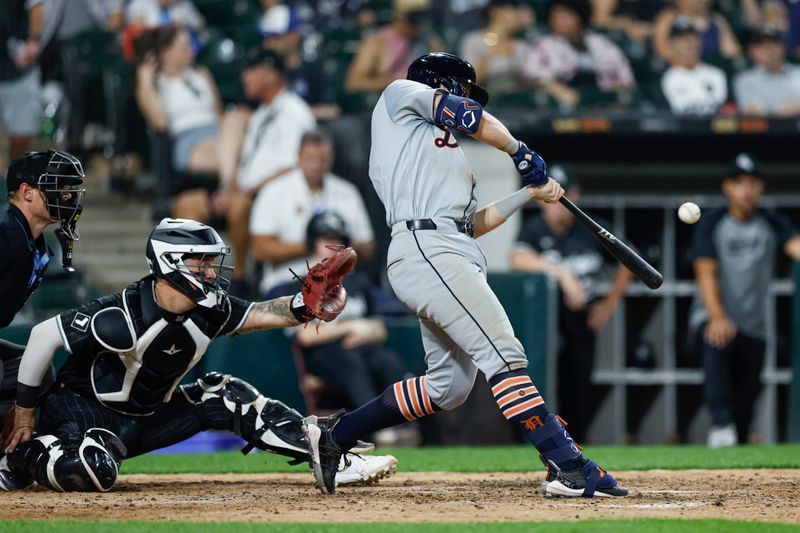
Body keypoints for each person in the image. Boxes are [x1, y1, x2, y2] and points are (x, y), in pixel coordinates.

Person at [302, 52, 628, 498]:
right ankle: (567, 465)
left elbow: (472, 223)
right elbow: (469, 115)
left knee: (448, 387)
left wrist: (527, 194)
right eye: (462, 88)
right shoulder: (400, 96)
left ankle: (334, 436)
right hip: (426, 248)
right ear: (440, 82)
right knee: (504, 353)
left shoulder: (439, 154)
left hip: (445, 248)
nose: (467, 98)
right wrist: (518, 149)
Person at [0, 218, 397, 492]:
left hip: (146, 419)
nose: (211, 270)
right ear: (171, 263)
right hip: (84, 414)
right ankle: (19, 459)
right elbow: (40, 337)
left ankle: (327, 452)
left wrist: (303, 303)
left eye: (211, 261)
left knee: (226, 393)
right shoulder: (121, 313)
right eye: (201, 261)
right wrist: (25, 412)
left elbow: (259, 314)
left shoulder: (212, 308)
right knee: (89, 468)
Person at [509, 166, 633, 442]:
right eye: (551, 200)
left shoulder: (591, 227)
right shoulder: (534, 229)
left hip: (582, 320)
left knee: (579, 388)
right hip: (545, 324)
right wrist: (562, 274)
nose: (557, 207)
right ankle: (541, 444)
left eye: (564, 198)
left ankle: (576, 449)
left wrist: (609, 304)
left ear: (575, 196)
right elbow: (517, 259)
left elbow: (628, 263)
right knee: (542, 387)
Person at [689, 154, 800, 448]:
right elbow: (705, 270)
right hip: (714, 318)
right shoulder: (713, 221)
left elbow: (795, 246)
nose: (747, 191)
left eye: (753, 184)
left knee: (747, 402)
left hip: (754, 324)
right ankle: (720, 423)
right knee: (717, 346)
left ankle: (734, 438)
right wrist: (716, 316)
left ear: (761, 188)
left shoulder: (771, 221)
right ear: (728, 187)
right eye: (740, 184)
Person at [275, 212, 408, 414]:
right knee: (350, 363)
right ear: (313, 243)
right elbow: (305, 336)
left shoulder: (357, 283)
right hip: (323, 354)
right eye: (325, 239)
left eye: (337, 241)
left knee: (388, 360)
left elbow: (381, 329)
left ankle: (404, 423)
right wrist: (350, 327)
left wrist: (367, 331)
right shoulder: (298, 286)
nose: (331, 247)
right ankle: (372, 426)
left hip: (362, 347)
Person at [0, 150, 85, 443]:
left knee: (34, 369)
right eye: (57, 187)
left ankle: (10, 450)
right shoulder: (5, 232)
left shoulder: (38, 246)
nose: (67, 196)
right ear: (26, 192)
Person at [224, 48, 317, 295]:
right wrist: (232, 187)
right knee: (190, 203)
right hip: (251, 190)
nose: (245, 78)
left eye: (251, 71)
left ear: (271, 74)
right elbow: (249, 163)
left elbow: (298, 164)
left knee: (239, 205)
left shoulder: (295, 112)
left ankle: (241, 282)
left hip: (281, 192)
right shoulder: (262, 114)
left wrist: (250, 190)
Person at [134, 26, 250, 222]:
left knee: (236, 118)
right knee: (235, 156)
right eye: (185, 47)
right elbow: (160, 124)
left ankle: (226, 187)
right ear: (166, 52)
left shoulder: (201, 74)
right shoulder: (156, 84)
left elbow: (219, 114)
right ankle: (230, 188)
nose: (192, 51)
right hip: (188, 141)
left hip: (219, 134)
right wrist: (145, 79)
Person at [250, 129, 375, 297]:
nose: (316, 165)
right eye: (310, 159)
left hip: (341, 283)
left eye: (323, 159)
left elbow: (368, 245)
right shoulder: (274, 191)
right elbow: (260, 250)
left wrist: (341, 247)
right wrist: (310, 245)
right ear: (299, 156)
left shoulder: (347, 192)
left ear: (331, 157)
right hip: (290, 280)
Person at [524, 0, 636, 109]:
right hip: (560, 108)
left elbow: (626, 78)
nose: (558, 21)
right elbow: (531, 72)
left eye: (564, 16)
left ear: (579, 17)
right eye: (554, 17)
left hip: (602, 105)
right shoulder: (544, 45)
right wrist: (555, 88)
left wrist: (615, 91)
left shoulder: (602, 44)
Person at [345, 0, 445, 95]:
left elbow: (445, 75)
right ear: (398, 17)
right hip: (388, 106)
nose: (420, 24)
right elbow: (354, 82)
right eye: (414, 19)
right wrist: (397, 81)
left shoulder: (430, 41)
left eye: (424, 16)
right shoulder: (377, 42)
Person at [459, 0, 536, 93]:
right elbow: (468, 84)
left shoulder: (521, 46)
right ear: (495, 12)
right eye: (513, 9)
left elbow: (533, 81)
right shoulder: (473, 41)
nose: (517, 14)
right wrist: (491, 55)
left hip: (517, 102)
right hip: (485, 102)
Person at [0, 0, 45, 161]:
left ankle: (15, 179)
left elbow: (36, 6)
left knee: (22, 136)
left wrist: (33, 41)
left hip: (19, 68)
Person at [660, 18, 728, 115]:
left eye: (693, 38)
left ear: (700, 41)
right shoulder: (665, 79)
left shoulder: (717, 73)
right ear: (671, 44)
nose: (689, 43)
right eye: (682, 39)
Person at [734, 25, 800, 116]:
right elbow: (754, 111)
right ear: (751, 51)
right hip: (767, 129)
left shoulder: (798, 73)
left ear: (783, 47)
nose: (769, 49)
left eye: (774, 43)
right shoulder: (745, 80)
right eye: (762, 45)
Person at [653, 0, 742, 63]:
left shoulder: (717, 19)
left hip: (711, 69)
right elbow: (661, 48)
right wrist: (689, 62)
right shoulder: (668, 17)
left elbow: (732, 53)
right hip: (680, 70)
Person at [592, 0, 669, 43]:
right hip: (604, 40)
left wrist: (647, 31)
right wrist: (628, 26)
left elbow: (664, 29)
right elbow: (599, 20)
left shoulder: (660, 4)